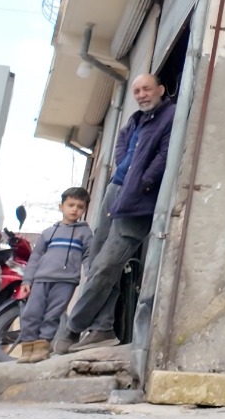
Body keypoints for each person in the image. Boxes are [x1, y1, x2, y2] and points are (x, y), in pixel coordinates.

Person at [54, 73, 175, 354]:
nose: (142, 94)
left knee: (107, 265)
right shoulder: (135, 121)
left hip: (139, 200)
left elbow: (165, 156)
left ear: (161, 88)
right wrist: (125, 168)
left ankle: (72, 328)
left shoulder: (169, 116)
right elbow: (122, 144)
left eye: (147, 89)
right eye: (137, 91)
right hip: (116, 190)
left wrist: (144, 180)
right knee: (96, 263)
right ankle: (103, 328)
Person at [16, 187, 91, 363]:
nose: (75, 209)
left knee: (52, 314)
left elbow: (89, 255)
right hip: (41, 279)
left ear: (84, 210)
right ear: (61, 206)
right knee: (31, 313)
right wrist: (27, 280)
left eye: (80, 207)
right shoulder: (48, 233)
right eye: (71, 205)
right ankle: (27, 349)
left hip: (66, 281)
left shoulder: (85, 233)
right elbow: (35, 257)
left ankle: (42, 348)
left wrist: (90, 274)